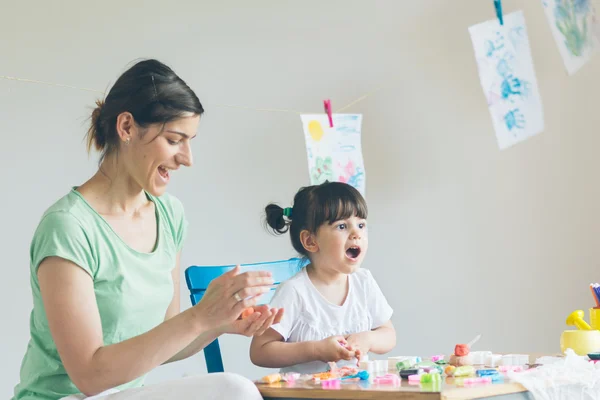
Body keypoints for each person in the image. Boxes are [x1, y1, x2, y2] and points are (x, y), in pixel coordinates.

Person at [12, 59, 283, 400]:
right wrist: (200, 317)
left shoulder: (169, 215)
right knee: (234, 390)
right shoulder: (68, 228)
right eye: (174, 140)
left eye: (190, 141)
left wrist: (220, 322)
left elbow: (164, 343)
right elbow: (90, 376)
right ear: (126, 127)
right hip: (64, 398)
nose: (187, 158)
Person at [249, 181, 396, 374]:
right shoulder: (295, 291)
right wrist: (316, 349)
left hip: (355, 392)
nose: (356, 234)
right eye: (342, 226)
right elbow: (260, 351)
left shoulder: (364, 282)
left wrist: (368, 339)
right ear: (310, 241)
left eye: (361, 225)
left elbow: (389, 335)